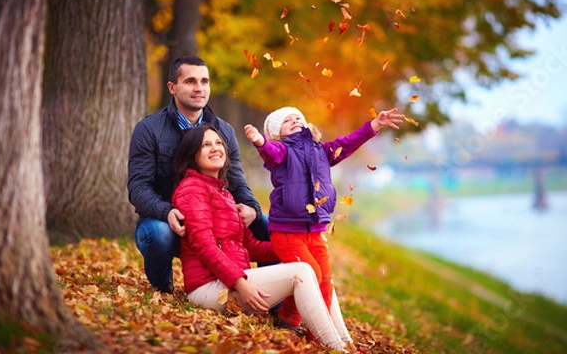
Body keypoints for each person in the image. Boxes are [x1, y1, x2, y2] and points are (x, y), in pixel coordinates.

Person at [172, 124, 354, 351]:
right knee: (304, 271)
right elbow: (205, 246)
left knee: (318, 268)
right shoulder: (191, 189)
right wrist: (240, 283)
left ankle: (347, 343)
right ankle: (334, 347)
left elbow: (248, 245)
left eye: (218, 143)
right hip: (209, 289)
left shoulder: (225, 193)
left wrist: (297, 245)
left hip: (233, 282)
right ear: (192, 154)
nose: (215, 148)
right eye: (206, 145)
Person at [243, 106, 403, 330]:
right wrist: (260, 141)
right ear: (278, 133)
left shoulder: (322, 150)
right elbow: (270, 151)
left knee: (325, 282)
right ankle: (295, 323)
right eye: (287, 121)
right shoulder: (281, 151)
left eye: (298, 117)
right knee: (311, 274)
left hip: (315, 231)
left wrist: (374, 125)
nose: (295, 120)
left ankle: (308, 326)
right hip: (287, 232)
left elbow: (347, 144)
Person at [127, 55, 270, 293]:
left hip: (215, 220)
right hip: (170, 219)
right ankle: (163, 287)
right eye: (190, 81)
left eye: (204, 81)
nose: (199, 88)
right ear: (172, 87)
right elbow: (138, 188)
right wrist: (167, 211)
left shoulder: (223, 130)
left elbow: (237, 180)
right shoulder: (149, 129)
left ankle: (270, 300)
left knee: (267, 225)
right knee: (158, 234)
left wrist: (251, 207)